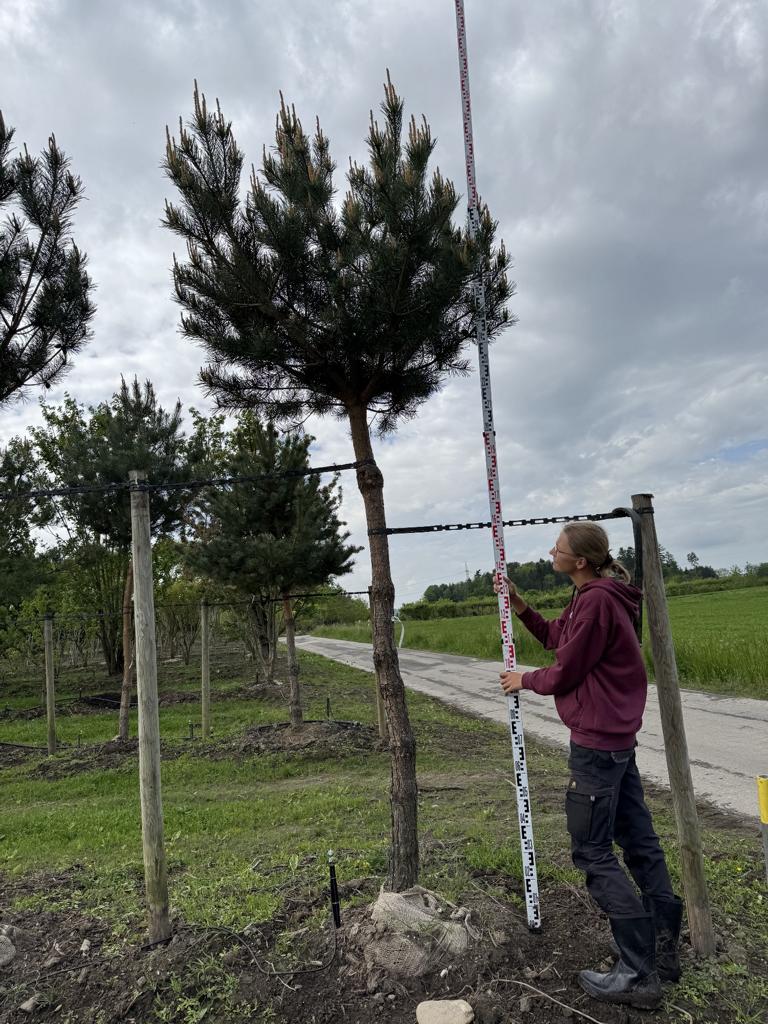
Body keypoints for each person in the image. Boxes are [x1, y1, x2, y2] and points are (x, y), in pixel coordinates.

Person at [494, 521, 683, 1011]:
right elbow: (561, 639)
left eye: (559, 546)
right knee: (638, 839)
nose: (551, 550)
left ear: (579, 560)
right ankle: (664, 951)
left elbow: (566, 670)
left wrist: (524, 680)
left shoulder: (598, 599)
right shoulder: (593, 595)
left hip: (597, 747)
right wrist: (519, 607)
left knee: (592, 851)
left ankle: (639, 974)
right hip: (615, 742)